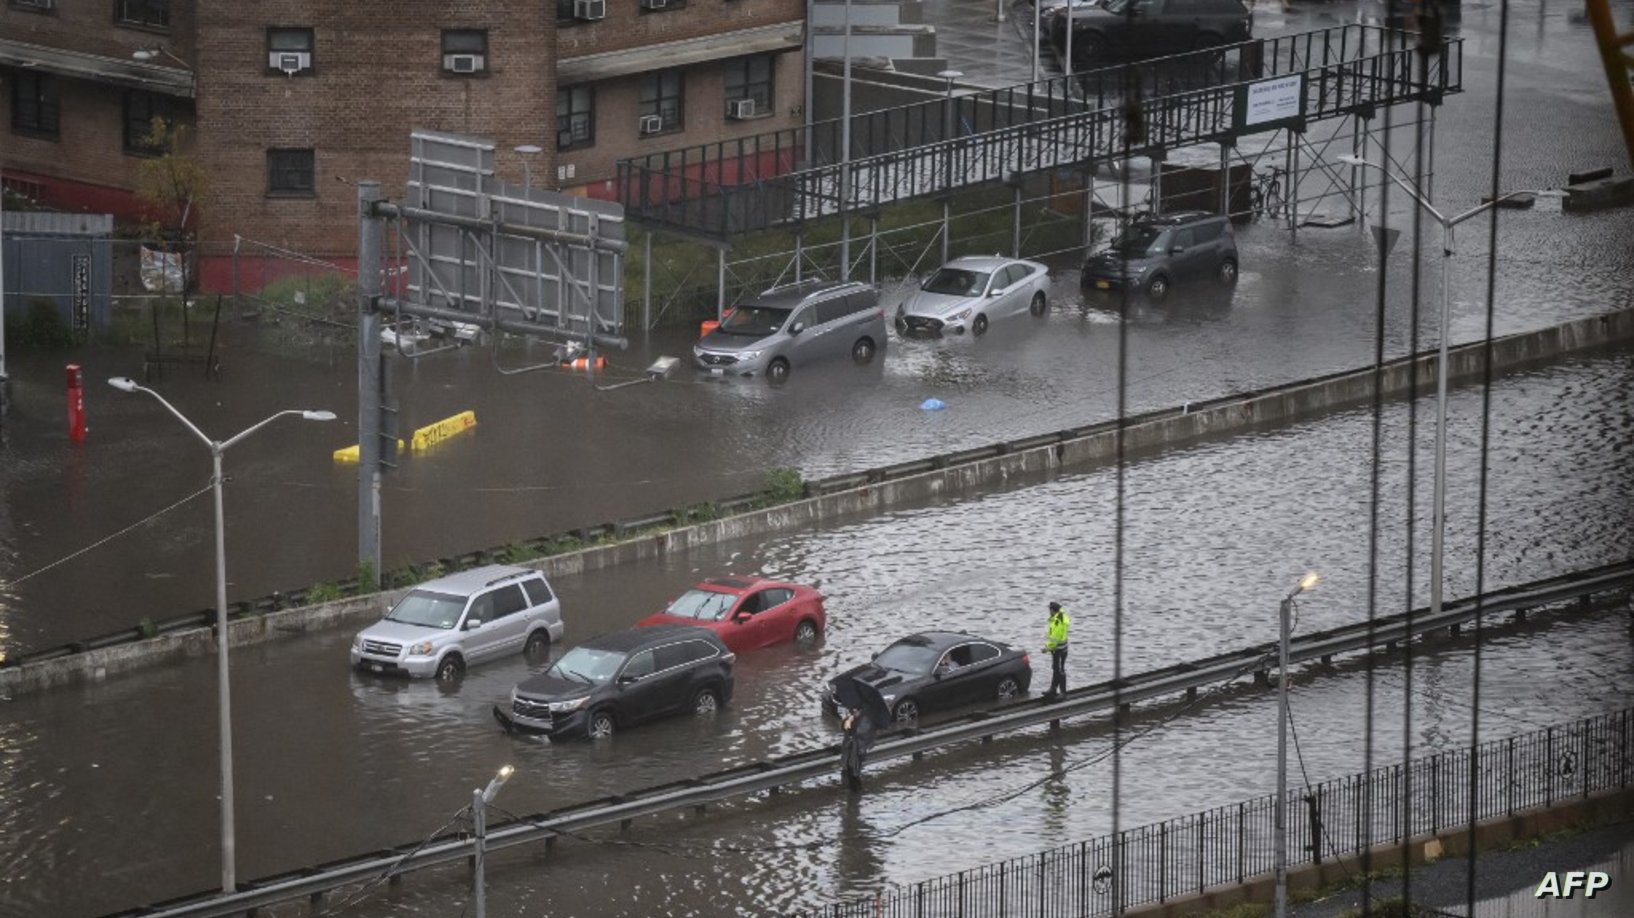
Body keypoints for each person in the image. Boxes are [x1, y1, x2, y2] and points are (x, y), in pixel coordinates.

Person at [840, 706, 877, 793]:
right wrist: (847, 721)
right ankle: (853, 788)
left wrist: (853, 727)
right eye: (853, 710)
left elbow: (862, 733)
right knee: (849, 768)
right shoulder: (850, 718)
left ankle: (857, 789)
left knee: (855, 769)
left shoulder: (865, 719)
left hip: (858, 749)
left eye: (856, 711)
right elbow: (844, 729)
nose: (854, 712)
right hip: (849, 748)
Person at [1043, 601, 1070, 700]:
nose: (1048, 611)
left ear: (1053, 610)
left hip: (1059, 650)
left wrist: (1047, 648)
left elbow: (1055, 638)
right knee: (1056, 668)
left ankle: (1063, 693)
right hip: (1060, 649)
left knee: (1060, 670)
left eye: (1049, 610)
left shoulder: (1058, 621)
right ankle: (1053, 689)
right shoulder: (1059, 617)